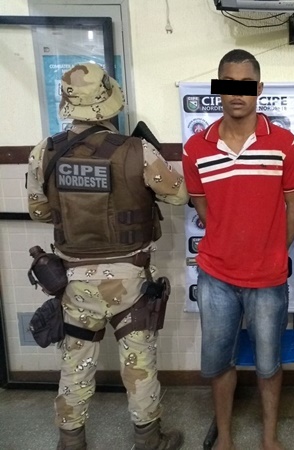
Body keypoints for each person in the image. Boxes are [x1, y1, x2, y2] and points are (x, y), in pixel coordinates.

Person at [27, 62, 188, 450]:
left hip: (73, 280)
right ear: (110, 102)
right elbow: (179, 195)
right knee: (138, 363)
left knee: (76, 361)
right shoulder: (136, 150)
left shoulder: (44, 153)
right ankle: (149, 440)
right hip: (129, 280)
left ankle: (70, 441)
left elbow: (39, 212)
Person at [182, 49, 294, 450]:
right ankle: (226, 438)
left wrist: (273, 249)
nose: (237, 93)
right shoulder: (195, 149)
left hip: (268, 276)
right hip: (216, 275)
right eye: (229, 85)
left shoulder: (284, 144)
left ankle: (270, 437)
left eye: (246, 85)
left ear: (259, 88)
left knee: (268, 364)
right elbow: (205, 209)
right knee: (220, 362)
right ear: (217, 89)